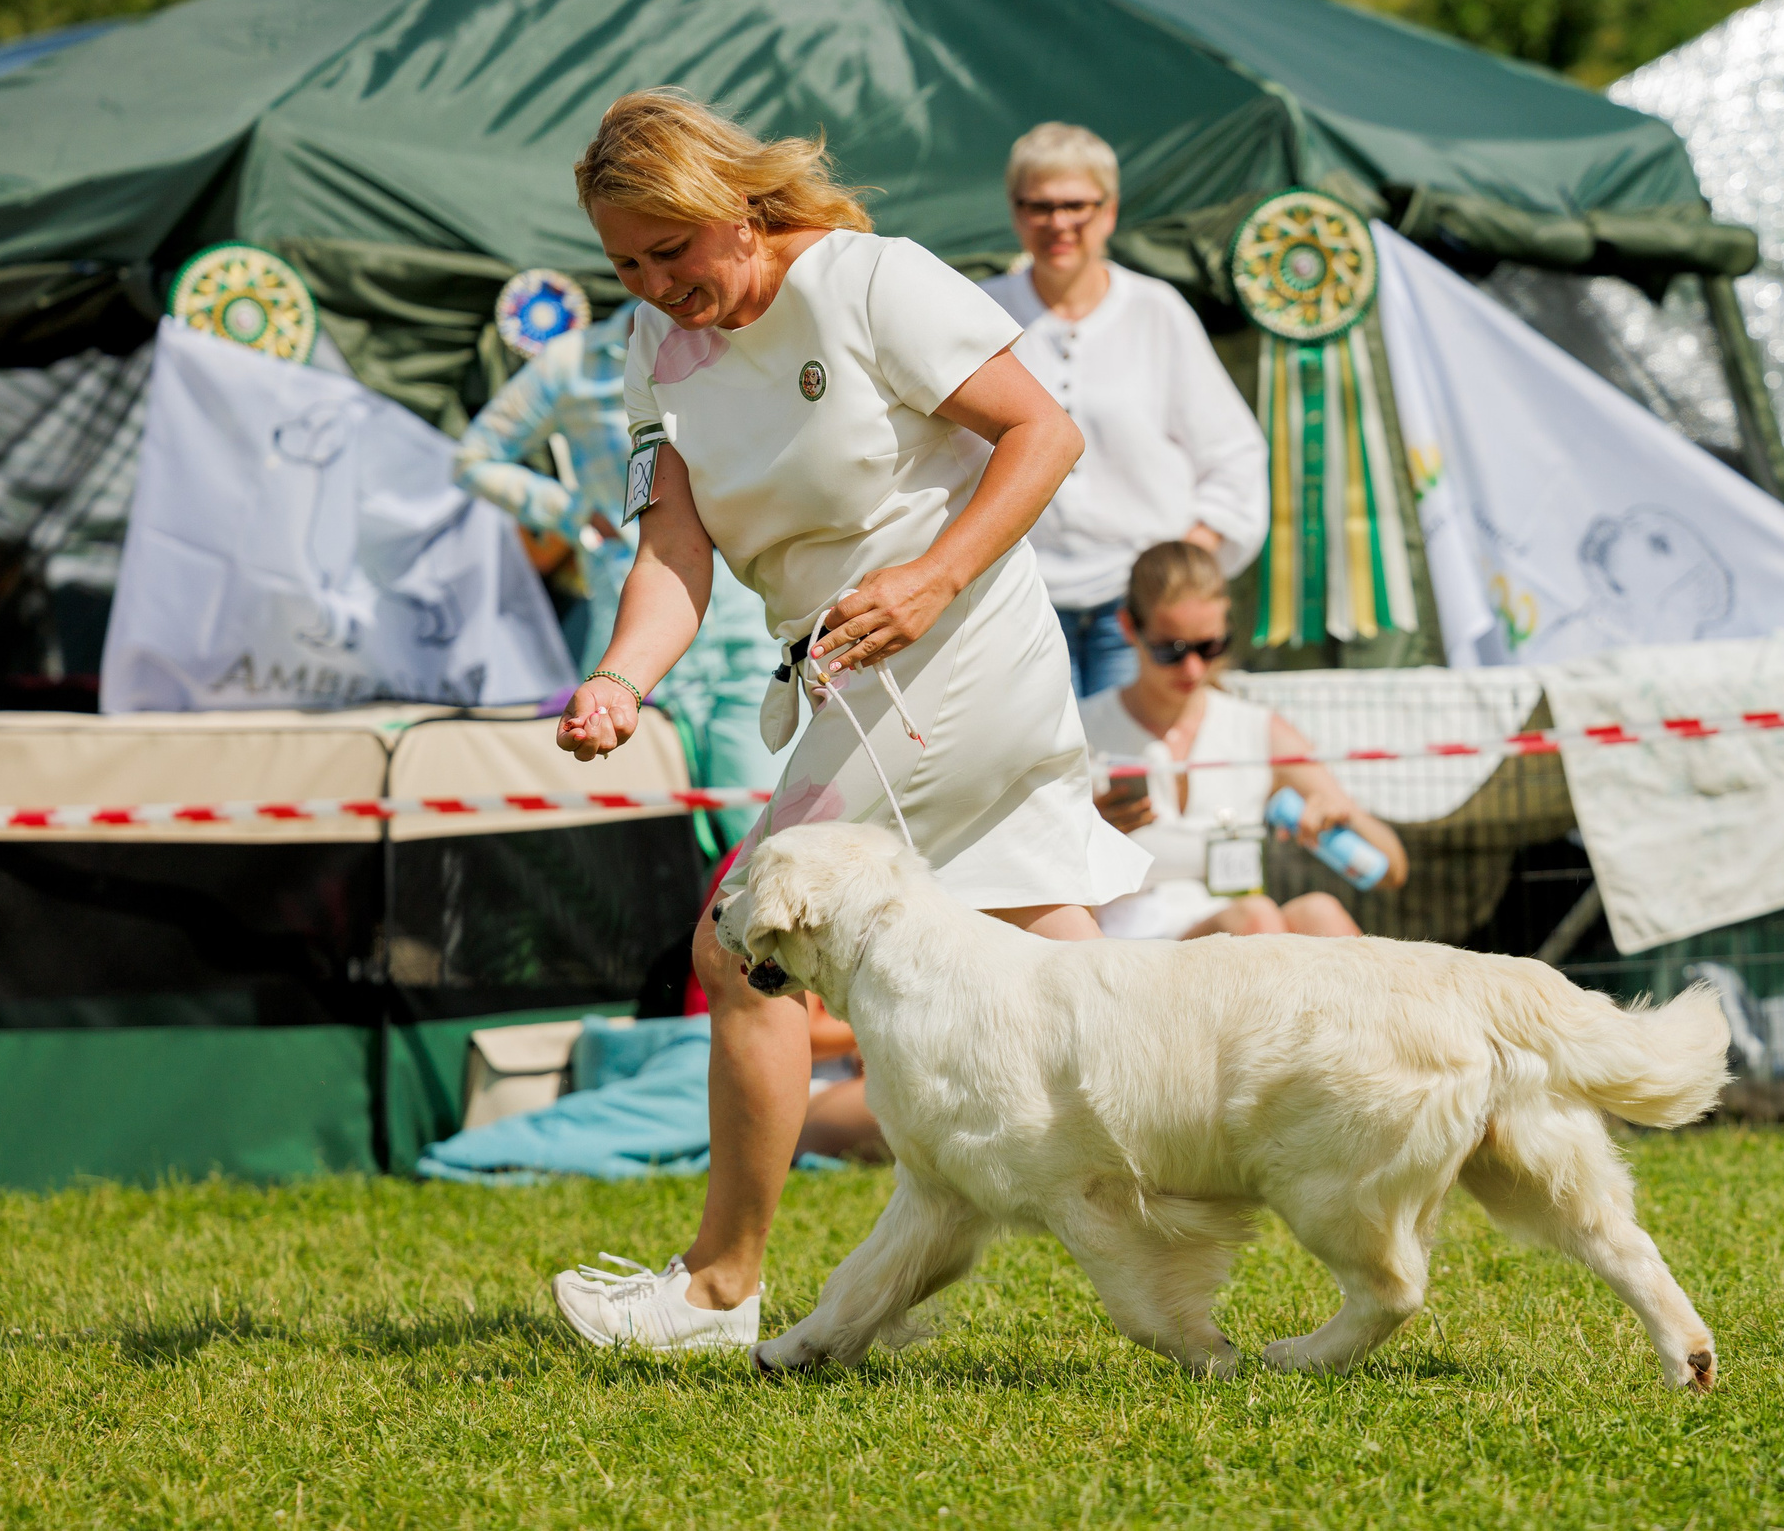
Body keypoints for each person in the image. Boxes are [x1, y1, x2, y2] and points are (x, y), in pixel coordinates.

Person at [543, 90, 1150, 1352]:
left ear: (739, 208)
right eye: (626, 264)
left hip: (959, 647)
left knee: (743, 942)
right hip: (839, 671)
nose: (656, 283)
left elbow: (1045, 434)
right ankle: (1195, 1203)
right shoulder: (651, 347)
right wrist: (619, 677)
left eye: (674, 249)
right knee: (1071, 967)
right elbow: (674, 544)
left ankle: (717, 1291)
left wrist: (931, 580)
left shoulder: (875, 281)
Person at [455, 309, 790, 844]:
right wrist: (573, 512)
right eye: (635, 258)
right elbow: (473, 458)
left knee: (758, 822)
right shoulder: (573, 361)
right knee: (649, 837)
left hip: (745, 620)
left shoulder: (736, 334)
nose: (662, 279)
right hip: (634, 624)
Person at [977, 124, 1267, 698]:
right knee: (1040, 777)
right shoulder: (982, 313)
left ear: (1109, 212)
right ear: (1015, 212)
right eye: (1040, 206)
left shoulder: (1156, 312)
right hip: (1018, 598)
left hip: (1136, 610)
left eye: (1076, 206)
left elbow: (1233, 452)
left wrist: (1180, 568)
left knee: (1128, 774)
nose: (1059, 223)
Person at [1082, 542, 1406, 940]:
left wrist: (1342, 815)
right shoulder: (1080, 729)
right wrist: (1083, 830)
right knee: (1255, 918)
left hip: (1243, 930)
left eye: (1210, 646)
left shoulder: (1256, 729)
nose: (1193, 667)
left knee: (1320, 913)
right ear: (1130, 628)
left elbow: (1392, 870)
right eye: (1171, 650)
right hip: (1134, 936)